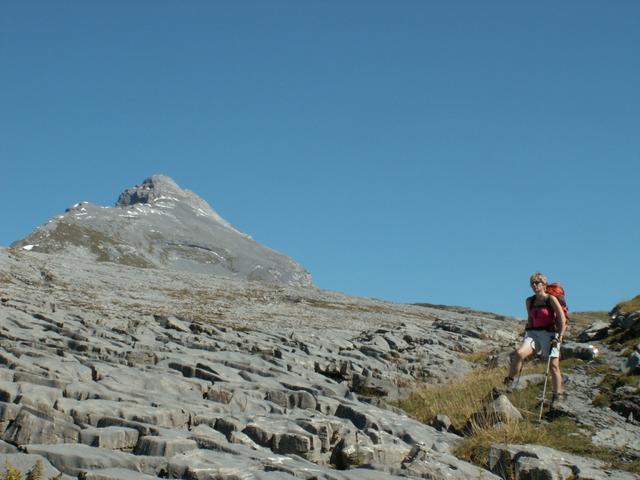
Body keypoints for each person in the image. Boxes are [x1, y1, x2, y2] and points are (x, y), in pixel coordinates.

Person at [501, 272, 567, 405]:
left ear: (544, 285)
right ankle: (508, 382)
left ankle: (557, 395)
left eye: (537, 283)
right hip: (533, 333)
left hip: (550, 334)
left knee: (553, 366)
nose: (534, 285)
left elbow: (562, 319)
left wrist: (559, 337)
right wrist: (527, 330)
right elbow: (530, 318)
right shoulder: (529, 301)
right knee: (519, 353)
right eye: (532, 283)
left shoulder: (551, 299)